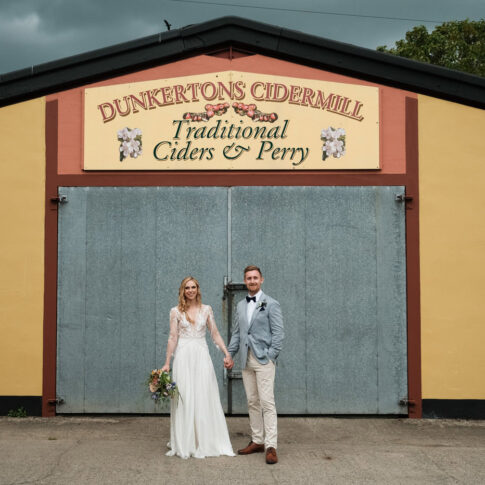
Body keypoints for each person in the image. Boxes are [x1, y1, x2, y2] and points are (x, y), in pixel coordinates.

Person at [161, 276, 235, 459]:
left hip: (202, 357)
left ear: (198, 289)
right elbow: (172, 337)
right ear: (183, 290)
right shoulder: (176, 311)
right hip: (183, 358)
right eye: (187, 288)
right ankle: (186, 441)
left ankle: (206, 440)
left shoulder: (206, 310)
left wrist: (226, 353)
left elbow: (215, 334)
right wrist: (167, 363)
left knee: (203, 395)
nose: (191, 290)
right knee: (185, 397)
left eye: (193, 287)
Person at [224, 265, 284, 465]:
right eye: (248, 278)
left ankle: (271, 445)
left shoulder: (272, 304)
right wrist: (230, 354)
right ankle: (257, 440)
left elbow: (278, 334)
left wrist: (271, 356)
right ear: (245, 280)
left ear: (261, 280)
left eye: (255, 278)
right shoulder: (241, 305)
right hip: (245, 359)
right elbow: (237, 333)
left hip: (263, 360)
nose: (251, 281)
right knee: (252, 401)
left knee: (267, 403)